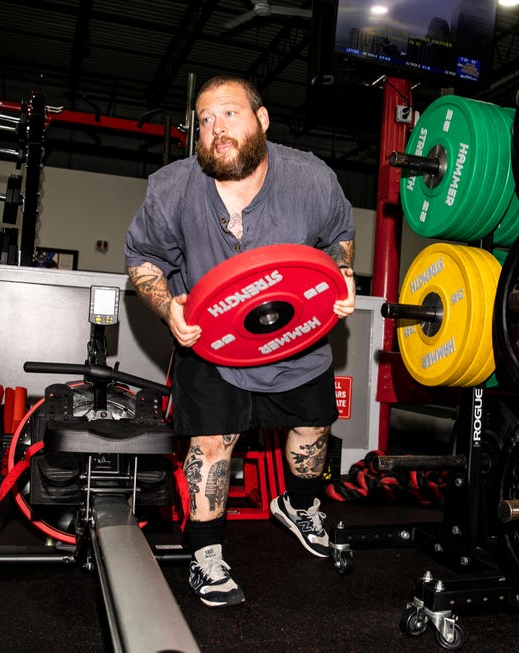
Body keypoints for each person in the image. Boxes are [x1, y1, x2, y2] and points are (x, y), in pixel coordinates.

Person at [124, 75, 356, 608]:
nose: (215, 129)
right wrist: (167, 307)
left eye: (228, 114)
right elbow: (143, 262)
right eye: (204, 121)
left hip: (294, 333)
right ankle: (205, 553)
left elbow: (339, 233)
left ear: (263, 119)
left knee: (313, 426)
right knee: (212, 443)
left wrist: (343, 273)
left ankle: (300, 506)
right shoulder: (170, 188)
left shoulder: (311, 179)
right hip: (211, 337)